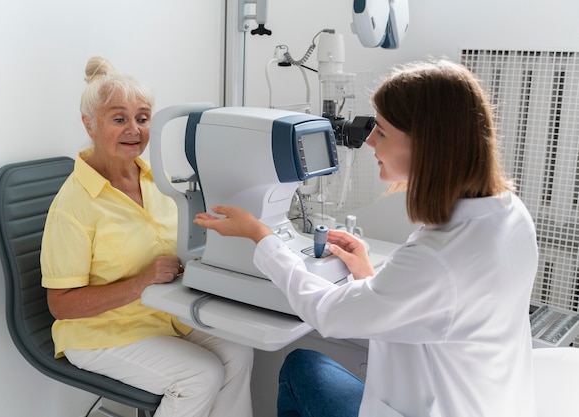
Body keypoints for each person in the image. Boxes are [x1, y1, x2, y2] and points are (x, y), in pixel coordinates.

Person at [194, 59, 538, 417]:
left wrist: (261, 236)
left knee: (301, 369)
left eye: (383, 132)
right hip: (491, 402)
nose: (370, 140)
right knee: (306, 367)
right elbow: (439, 307)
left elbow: (328, 313)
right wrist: (368, 277)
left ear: (427, 146)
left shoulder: (436, 258)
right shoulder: (508, 214)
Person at [40, 56, 253, 417]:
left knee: (239, 351)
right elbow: (61, 304)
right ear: (89, 125)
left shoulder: (155, 179)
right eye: (119, 119)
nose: (134, 130)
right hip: (99, 334)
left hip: (163, 315)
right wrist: (142, 282)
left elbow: (169, 250)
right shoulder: (74, 204)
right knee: (200, 375)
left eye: (142, 118)